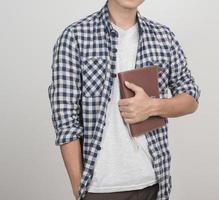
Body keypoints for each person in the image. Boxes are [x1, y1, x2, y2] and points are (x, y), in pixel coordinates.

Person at [47, 0, 201, 199]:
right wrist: (79, 188)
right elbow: (65, 118)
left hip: (154, 183)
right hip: (99, 188)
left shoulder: (163, 37)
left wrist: (153, 106)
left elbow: (190, 97)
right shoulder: (75, 37)